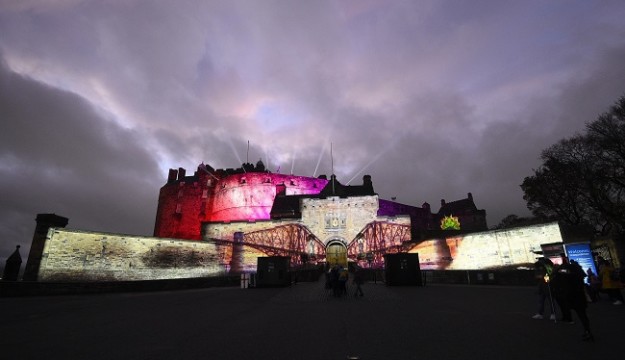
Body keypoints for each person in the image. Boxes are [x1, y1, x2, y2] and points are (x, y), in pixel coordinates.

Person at [550, 255, 593, 341]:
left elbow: (556, 278)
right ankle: (587, 330)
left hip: (571, 295)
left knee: (577, 312)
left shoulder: (564, 274)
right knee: (582, 314)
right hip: (580, 295)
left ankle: (586, 330)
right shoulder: (578, 274)